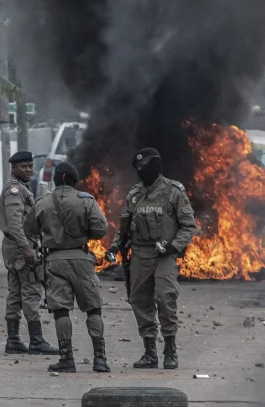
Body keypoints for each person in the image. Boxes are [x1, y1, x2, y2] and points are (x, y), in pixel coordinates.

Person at [108, 148, 197, 369]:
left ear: (156, 166)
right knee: (139, 300)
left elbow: (188, 227)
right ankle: (150, 351)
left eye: (145, 166)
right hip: (139, 254)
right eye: (138, 168)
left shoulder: (174, 191)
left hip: (163, 255)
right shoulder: (135, 194)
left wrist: (173, 247)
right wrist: (114, 247)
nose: (141, 171)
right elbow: (125, 228)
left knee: (166, 298)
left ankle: (170, 349)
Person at [24, 162, 110, 373]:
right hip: (81, 259)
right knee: (93, 308)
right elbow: (100, 230)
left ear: (57, 179)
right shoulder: (86, 201)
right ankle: (100, 359)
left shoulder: (43, 202)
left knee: (61, 310)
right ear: (73, 180)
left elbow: (29, 227)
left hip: (54, 261)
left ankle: (66, 358)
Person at [0, 151, 57, 355]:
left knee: (15, 293)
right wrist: (26, 248)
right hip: (20, 248)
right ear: (13, 168)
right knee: (31, 291)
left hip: (14, 247)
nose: (29, 170)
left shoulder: (20, 188)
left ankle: (13, 340)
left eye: (30, 166)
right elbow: (15, 223)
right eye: (24, 166)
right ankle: (36, 340)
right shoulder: (15, 190)